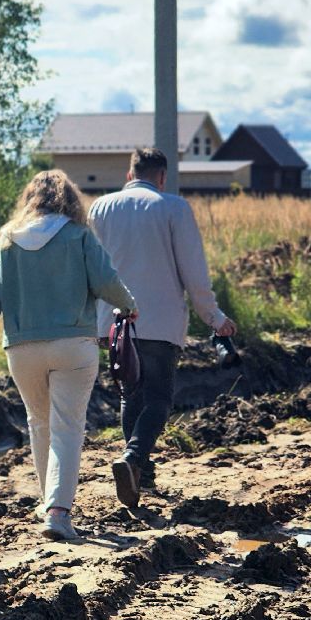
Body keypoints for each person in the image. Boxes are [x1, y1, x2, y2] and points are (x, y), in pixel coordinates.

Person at [0, 171, 137, 541]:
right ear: (70, 200)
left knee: (39, 422)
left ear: (30, 199)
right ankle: (58, 513)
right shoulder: (79, 235)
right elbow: (106, 280)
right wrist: (129, 305)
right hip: (73, 346)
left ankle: (50, 502)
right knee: (67, 428)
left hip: (22, 349)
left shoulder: (8, 240)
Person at [89, 147, 236, 508]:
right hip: (159, 319)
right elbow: (194, 272)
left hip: (114, 321)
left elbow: (90, 267)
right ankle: (133, 458)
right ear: (162, 177)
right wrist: (214, 318)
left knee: (131, 396)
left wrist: (92, 320)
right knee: (158, 399)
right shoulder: (173, 208)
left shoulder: (100, 208)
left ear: (129, 175)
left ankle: (142, 474)